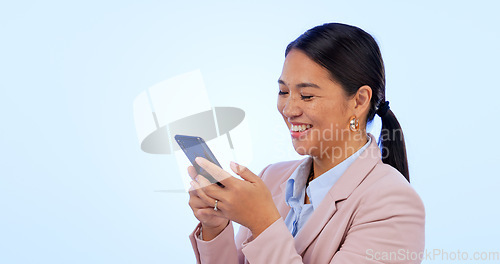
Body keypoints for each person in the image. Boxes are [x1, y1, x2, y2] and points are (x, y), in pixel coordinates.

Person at [187, 23, 425, 264]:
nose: (288, 110)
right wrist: (215, 226)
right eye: (283, 92)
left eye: (307, 96)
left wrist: (263, 223)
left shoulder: (394, 205)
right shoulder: (272, 178)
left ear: (359, 100)